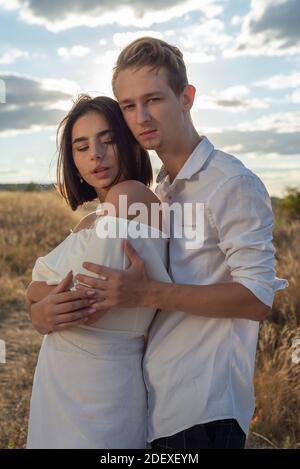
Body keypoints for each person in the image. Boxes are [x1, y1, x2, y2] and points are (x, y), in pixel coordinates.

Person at [29, 38, 287, 449]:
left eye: (153, 99)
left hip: (205, 407)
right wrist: (40, 306)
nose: (141, 116)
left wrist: (148, 293)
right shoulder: (163, 191)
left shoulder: (231, 183)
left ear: (187, 97)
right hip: (156, 402)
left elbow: (257, 297)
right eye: (128, 105)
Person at [26, 94, 170, 449]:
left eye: (108, 140)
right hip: (61, 383)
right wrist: (39, 311)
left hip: (99, 390)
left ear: (130, 143)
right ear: (72, 160)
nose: (96, 154)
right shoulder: (92, 219)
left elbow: (85, 301)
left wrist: (37, 303)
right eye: (82, 146)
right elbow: (50, 296)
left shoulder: (131, 197)